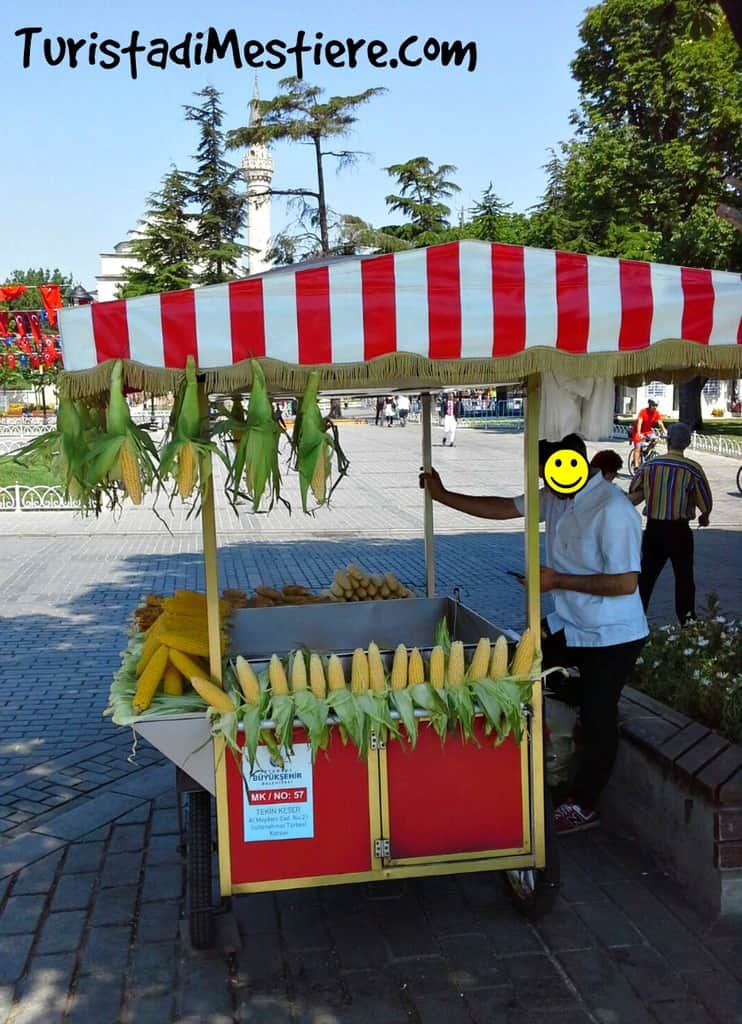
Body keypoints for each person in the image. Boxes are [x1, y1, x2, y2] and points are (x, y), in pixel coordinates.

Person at [420, 433, 647, 834]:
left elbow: (626, 583)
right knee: (521, 673)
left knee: (599, 715)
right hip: (569, 625)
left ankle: (584, 802)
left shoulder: (612, 509)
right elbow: (504, 508)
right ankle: (549, 754)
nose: (548, 487)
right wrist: (443, 495)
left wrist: (557, 579)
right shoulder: (556, 495)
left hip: (612, 634)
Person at [628, 422, 712, 625]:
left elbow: (633, 490)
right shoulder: (693, 469)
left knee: (647, 576)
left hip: (655, 528)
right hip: (679, 530)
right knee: (684, 578)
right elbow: (706, 502)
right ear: (688, 443)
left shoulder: (650, 466)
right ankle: (687, 620)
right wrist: (704, 516)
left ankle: (634, 619)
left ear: (667, 441)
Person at [630, 399, 666, 470]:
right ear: (650, 405)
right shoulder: (643, 411)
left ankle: (646, 452)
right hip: (637, 431)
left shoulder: (656, 413)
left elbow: (660, 423)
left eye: (656, 405)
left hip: (648, 431)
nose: (655, 407)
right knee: (638, 447)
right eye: (654, 405)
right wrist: (639, 433)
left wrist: (664, 431)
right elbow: (640, 422)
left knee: (655, 439)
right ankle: (636, 466)